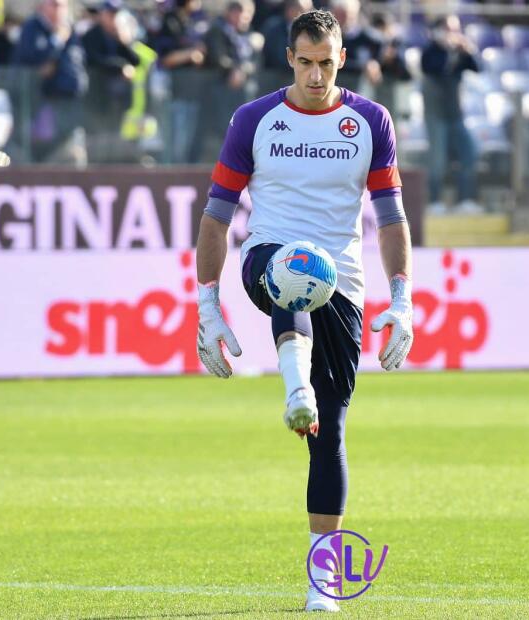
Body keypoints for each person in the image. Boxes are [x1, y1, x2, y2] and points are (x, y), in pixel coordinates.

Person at [193, 9, 412, 612]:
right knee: (293, 270)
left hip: (342, 281)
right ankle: (295, 386)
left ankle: (322, 582)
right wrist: (206, 305)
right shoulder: (254, 119)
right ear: (290, 58)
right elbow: (217, 215)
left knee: (331, 434)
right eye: (306, 62)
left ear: (341, 57)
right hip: (266, 256)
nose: (316, 75)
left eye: (327, 62)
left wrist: (401, 297)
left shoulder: (369, 121)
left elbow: (391, 217)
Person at [420, 15, 482, 214]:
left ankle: (465, 200)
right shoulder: (430, 52)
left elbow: (478, 67)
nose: (453, 34)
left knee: (468, 154)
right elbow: (436, 68)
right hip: (436, 114)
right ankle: (434, 201)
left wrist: (470, 51)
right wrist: (450, 52)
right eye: (448, 29)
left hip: (456, 114)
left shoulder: (459, 52)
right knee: (437, 160)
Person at [14, 0, 86, 163]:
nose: (58, 9)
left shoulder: (69, 28)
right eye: (54, 4)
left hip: (70, 104)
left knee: (73, 155)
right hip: (41, 105)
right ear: (42, 5)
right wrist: (57, 40)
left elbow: (76, 64)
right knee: (43, 155)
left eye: (62, 5)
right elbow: (34, 65)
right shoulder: (32, 27)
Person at [81, 0, 138, 163]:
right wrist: (120, 67)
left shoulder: (118, 35)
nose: (112, 18)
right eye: (110, 14)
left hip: (118, 100)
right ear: (102, 14)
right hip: (97, 98)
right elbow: (93, 60)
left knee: (115, 138)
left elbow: (135, 60)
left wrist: (123, 40)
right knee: (97, 139)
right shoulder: (91, 35)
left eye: (115, 14)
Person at [151, 0, 204, 164]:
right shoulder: (170, 21)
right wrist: (191, 54)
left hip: (190, 92)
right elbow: (165, 59)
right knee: (173, 145)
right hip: (173, 93)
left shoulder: (189, 21)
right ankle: (169, 180)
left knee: (185, 145)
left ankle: (179, 179)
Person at [201, 0, 254, 160]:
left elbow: (252, 61)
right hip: (220, 88)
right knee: (223, 128)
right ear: (232, 13)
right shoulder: (217, 30)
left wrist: (243, 70)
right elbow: (218, 57)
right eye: (242, 14)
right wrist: (233, 70)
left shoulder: (245, 34)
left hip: (241, 91)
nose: (245, 19)